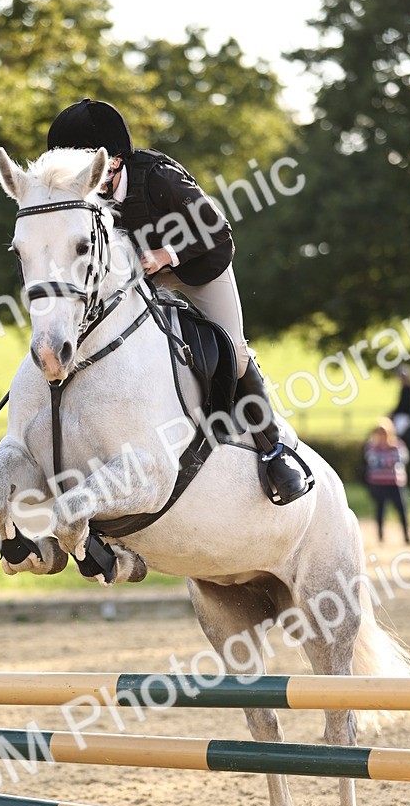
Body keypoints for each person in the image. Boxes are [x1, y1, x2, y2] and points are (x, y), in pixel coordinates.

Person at [46, 98, 310, 505]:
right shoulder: (85, 197)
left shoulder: (158, 178)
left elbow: (216, 227)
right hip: (141, 275)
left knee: (234, 354)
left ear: (114, 161)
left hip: (201, 266)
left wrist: (166, 255)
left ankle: (274, 450)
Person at [363, 418, 410, 545]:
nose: (382, 435)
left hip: (395, 483)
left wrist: (383, 461)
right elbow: (372, 461)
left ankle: (407, 536)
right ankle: (380, 537)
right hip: (378, 483)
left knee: (402, 510)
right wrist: (387, 462)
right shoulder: (371, 446)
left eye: (384, 432)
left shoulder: (398, 444)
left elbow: (400, 459)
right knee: (380, 511)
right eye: (379, 432)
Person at [390, 366, 410, 438]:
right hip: (402, 413)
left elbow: (404, 405)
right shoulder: (404, 389)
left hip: (406, 415)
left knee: (398, 428)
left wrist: (394, 413)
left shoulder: (409, 389)